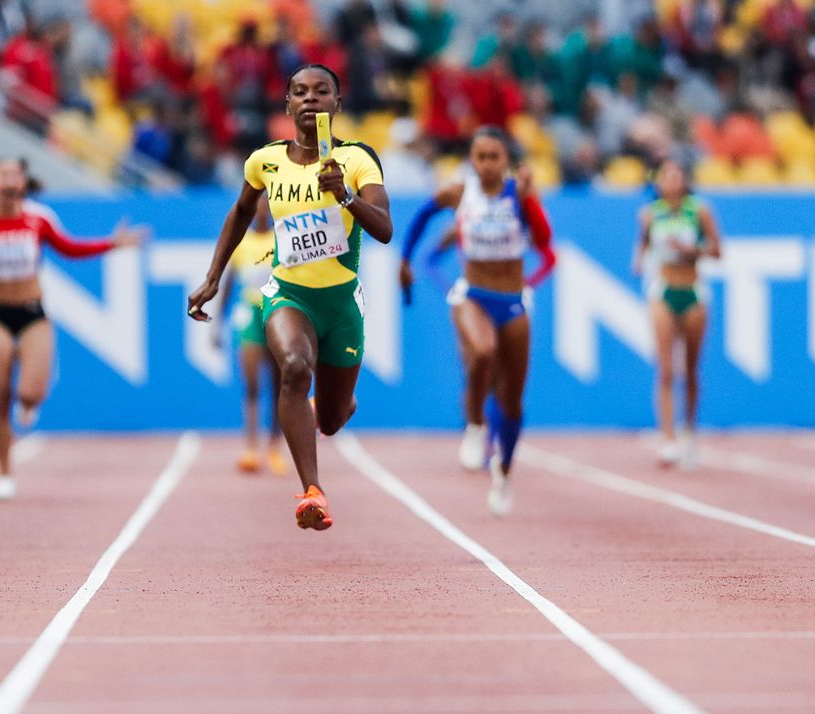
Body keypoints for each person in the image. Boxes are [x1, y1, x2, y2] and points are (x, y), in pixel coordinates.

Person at [186, 65, 393, 531]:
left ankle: (330, 405)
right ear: (287, 106)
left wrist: (344, 197)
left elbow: (383, 228)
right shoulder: (265, 161)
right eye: (300, 92)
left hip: (340, 304)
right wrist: (213, 277)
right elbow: (240, 212)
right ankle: (312, 492)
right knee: (294, 369)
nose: (310, 99)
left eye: (322, 92)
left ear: (337, 104)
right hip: (287, 294)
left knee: (335, 419)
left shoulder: (358, 160)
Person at [399, 126, 556, 514]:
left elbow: (545, 241)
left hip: (513, 300)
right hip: (474, 295)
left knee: (513, 402)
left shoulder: (518, 196)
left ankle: (503, 472)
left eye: (494, 157)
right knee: (482, 351)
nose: (486, 164)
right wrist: (405, 259)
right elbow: (421, 217)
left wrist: (530, 198)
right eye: (480, 156)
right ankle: (474, 426)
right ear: (471, 159)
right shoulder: (459, 192)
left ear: (507, 161)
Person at [0, 157, 145, 500]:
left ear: (23, 182)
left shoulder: (38, 218)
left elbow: (69, 247)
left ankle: (32, 394)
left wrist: (111, 244)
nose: (7, 181)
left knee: (30, 394)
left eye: (14, 175)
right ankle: (4, 471)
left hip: (33, 312)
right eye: (1, 175)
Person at [634, 160, 723, 469]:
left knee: (691, 369)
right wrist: (640, 259)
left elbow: (717, 250)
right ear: (657, 181)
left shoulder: (699, 211)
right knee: (666, 368)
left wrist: (692, 250)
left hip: (694, 290)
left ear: (684, 180)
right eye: (665, 175)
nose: (671, 180)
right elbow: (642, 247)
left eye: (677, 174)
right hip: (663, 289)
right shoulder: (649, 214)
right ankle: (667, 436)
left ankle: (689, 432)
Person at [217, 199, 285, 476]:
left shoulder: (281, 239)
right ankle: (251, 448)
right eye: (257, 205)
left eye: (266, 205)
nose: (261, 210)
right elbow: (229, 282)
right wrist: (216, 325)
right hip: (248, 313)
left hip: (275, 311)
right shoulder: (241, 243)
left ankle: (275, 447)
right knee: (252, 384)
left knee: (279, 385)